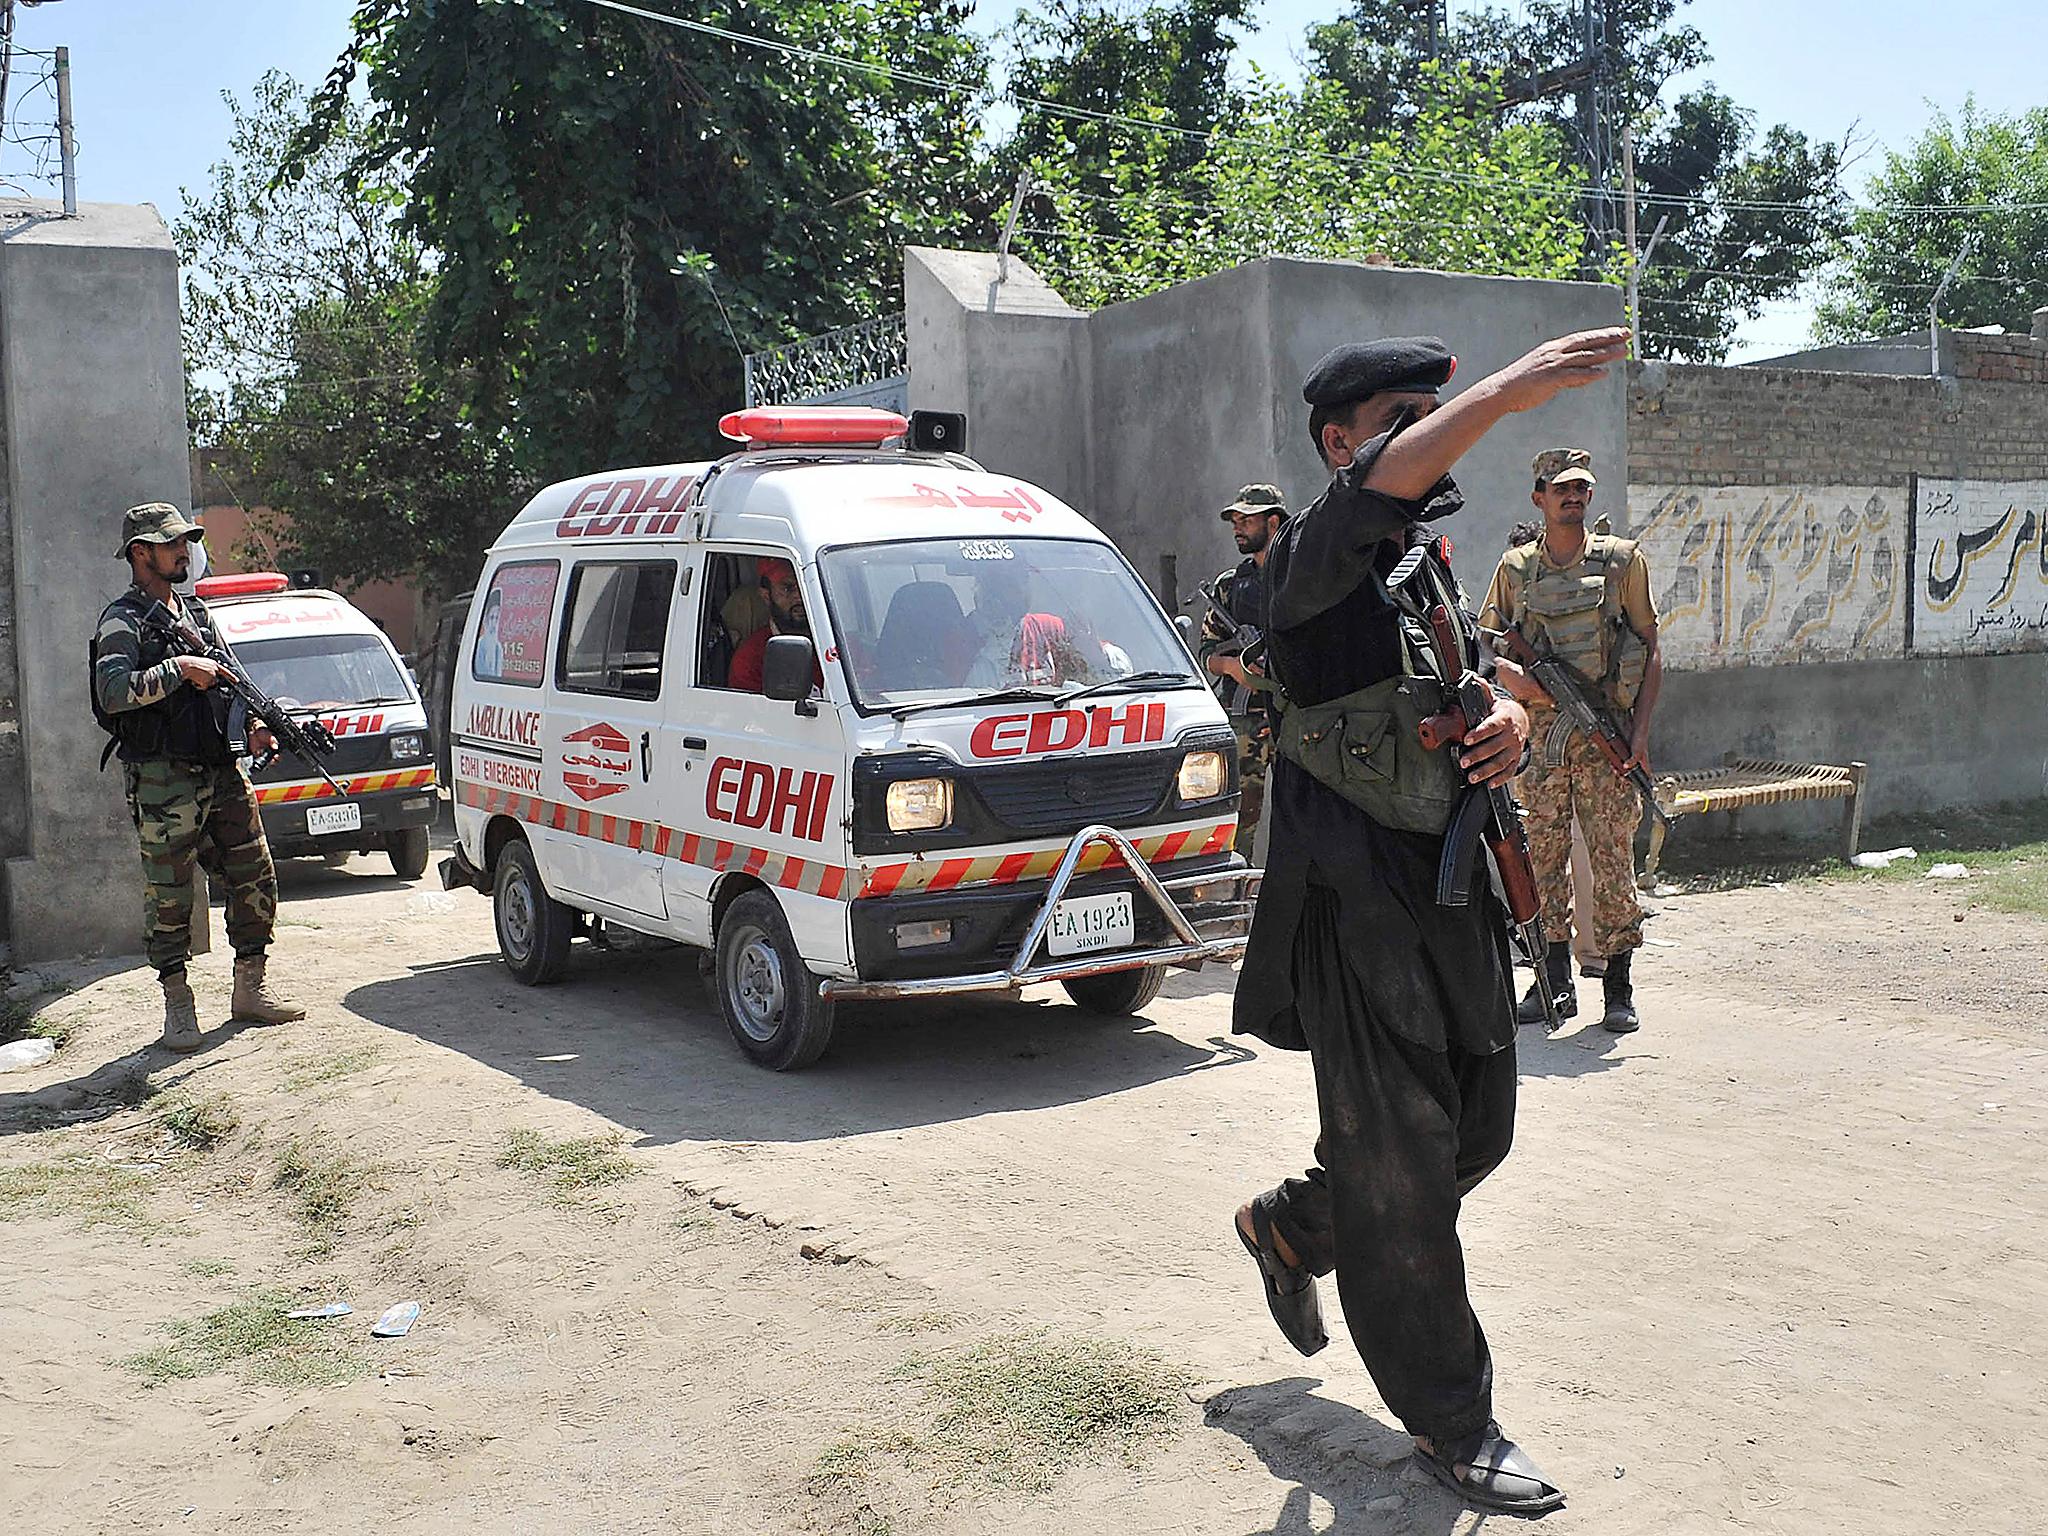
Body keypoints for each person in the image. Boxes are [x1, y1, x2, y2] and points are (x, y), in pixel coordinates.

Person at [1229, 328, 1629, 1517]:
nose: (1425, 437)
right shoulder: (1303, 560)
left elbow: (1482, 674)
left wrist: (1502, 716)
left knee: (1477, 1134)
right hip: (1351, 907)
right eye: (1398, 419)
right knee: (1403, 1180)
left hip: (1449, 892)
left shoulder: (1418, 570)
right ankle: (1453, 1424)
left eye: (1433, 410)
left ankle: (1295, 1224)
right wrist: (1506, 391)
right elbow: (1368, 501)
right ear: (1341, 445)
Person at [91, 503, 307, 1052]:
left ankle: (249, 989)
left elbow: (232, 680)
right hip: (164, 780)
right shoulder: (123, 620)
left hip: (221, 772)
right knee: (170, 896)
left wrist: (257, 726)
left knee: (254, 876)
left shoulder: (195, 615)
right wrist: (179, 669)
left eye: (184, 541)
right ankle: (178, 1005)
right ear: (141, 554)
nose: (183, 551)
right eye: (171, 543)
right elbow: (113, 693)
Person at [1480, 449, 1662, 1032]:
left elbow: (1651, 648)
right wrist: (1516, 681)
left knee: (1612, 862)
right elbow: (1484, 646)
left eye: (1581, 487)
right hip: (1541, 739)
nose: (1573, 497)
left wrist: (1640, 734)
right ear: (1538, 498)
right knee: (1540, 860)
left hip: (1604, 735)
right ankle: (1551, 983)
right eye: (1561, 489)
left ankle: (1618, 988)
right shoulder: (1514, 571)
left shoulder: (1621, 563)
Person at [1199, 484, 1288, 856]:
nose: (1238, 527)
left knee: (1305, 821)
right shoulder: (1229, 587)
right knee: (1239, 825)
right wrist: (1234, 667)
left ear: (1273, 521)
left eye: (1246, 520)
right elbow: (1204, 654)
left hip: (1293, 720)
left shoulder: (1300, 578)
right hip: (1245, 722)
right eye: (1234, 520)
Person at [729, 556, 821, 693]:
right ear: (766, 596)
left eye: (806, 585)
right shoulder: (751, 658)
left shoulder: (840, 644)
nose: (800, 596)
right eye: (788, 588)